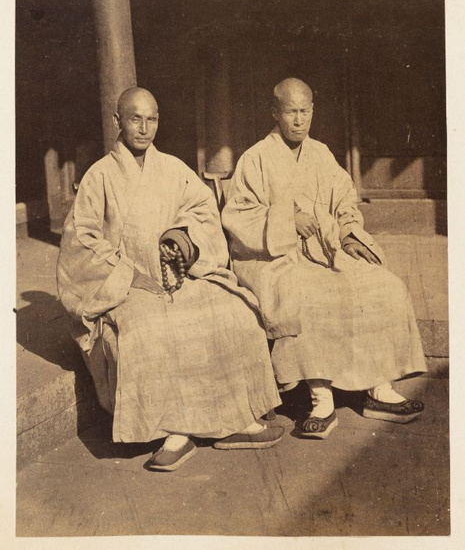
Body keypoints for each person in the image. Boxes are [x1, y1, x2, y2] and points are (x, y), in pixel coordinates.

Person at [57, 87, 283, 471]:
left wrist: (184, 241)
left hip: (180, 275)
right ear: (117, 122)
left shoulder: (174, 168)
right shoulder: (99, 177)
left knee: (234, 313)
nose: (145, 128)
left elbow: (203, 212)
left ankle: (235, 420)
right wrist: (128, 275)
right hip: (125, 286)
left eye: (152, 119)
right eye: (135, 118)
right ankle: (176, 432)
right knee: (150, 330)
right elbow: (82, 241)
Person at [222, 77, 427, 440]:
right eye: (290, 112)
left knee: (383, 284)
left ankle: (378, 388)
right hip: (273, 257)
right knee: (309, 296)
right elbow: (238, 217)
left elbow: (345, 199)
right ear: (274, 112)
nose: (299, 121)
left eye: (305, 111)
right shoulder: (255, 159)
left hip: (325, 249)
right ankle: (321, 399)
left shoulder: (320, 153)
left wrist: (348, 232)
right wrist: (286, 221)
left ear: (313, 111)